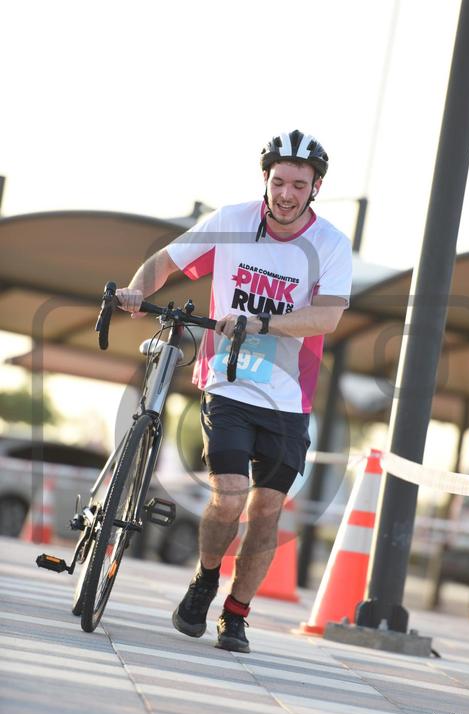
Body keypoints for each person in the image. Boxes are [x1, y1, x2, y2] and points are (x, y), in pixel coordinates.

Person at [117, 130, 353, 653]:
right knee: (228, 497)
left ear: (315, 188)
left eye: (299, 185)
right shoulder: (232, 221)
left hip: (288, 399)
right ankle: (205, 579)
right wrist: (137, 288)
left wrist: (260, 321)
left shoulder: (331, 244)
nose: (286, 194)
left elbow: (327, 317)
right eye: (279, 181)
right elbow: (165, 262)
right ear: (265, 179)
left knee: (266, 511)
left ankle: (236, 613)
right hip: (226, 383)